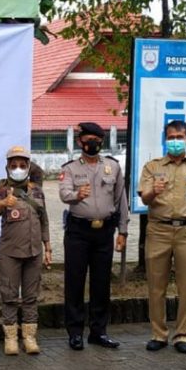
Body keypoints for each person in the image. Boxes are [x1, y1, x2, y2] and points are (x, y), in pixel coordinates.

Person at [138, 120, 186, 354]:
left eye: (179, 137)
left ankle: (183, 335)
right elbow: (145, 199)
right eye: (171, 137)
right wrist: (155, 190)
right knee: (156, 286)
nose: (175, 141)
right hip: (159, 230)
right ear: (165, 139)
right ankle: (158, 334)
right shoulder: (152, 167)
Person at [59, 122, 128, 351]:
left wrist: (123, 231)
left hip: (104, 232)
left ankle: (99, 332)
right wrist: (77, 195)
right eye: (88, 140)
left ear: (102, 141)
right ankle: (75, 332)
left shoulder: (113, 166)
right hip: (78, 231)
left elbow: (121, 200)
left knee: (101, 283)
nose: (92, 144)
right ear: (80, 142)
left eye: (97, 140)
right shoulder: (70, 168)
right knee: (75, 282)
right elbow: (63, 193)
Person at [0, 146, 51, 355]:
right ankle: (10, 338)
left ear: (28, 166)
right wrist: (3, 203)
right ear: (8, 167)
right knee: (8, 294)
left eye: (22, 165)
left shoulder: (36, 190)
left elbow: (44, 219)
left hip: (34, 252)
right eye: (14, 165)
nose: (18, 169)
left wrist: (48, 245)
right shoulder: (3, 188)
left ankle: (30, 337)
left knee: (31, 296)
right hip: (10, 252)